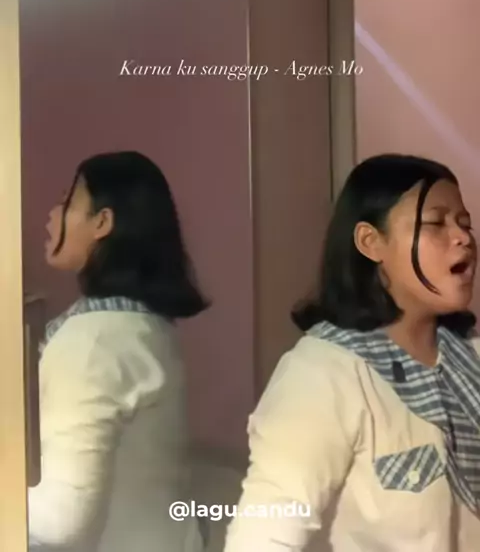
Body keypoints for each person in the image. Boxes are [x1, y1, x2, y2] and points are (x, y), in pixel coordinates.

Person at [224, 153, 480, 551]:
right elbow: (263, 535)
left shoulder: (471, 356)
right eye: (435, 223)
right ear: (370, 242)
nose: (463, 237)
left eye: (464, 222)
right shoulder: (323, 374)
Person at [28, 150, 208, 552]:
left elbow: (60, 522)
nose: (52, 215)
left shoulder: (93, 343)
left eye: (67, 202)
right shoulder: (141, 322)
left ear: (102, 222)